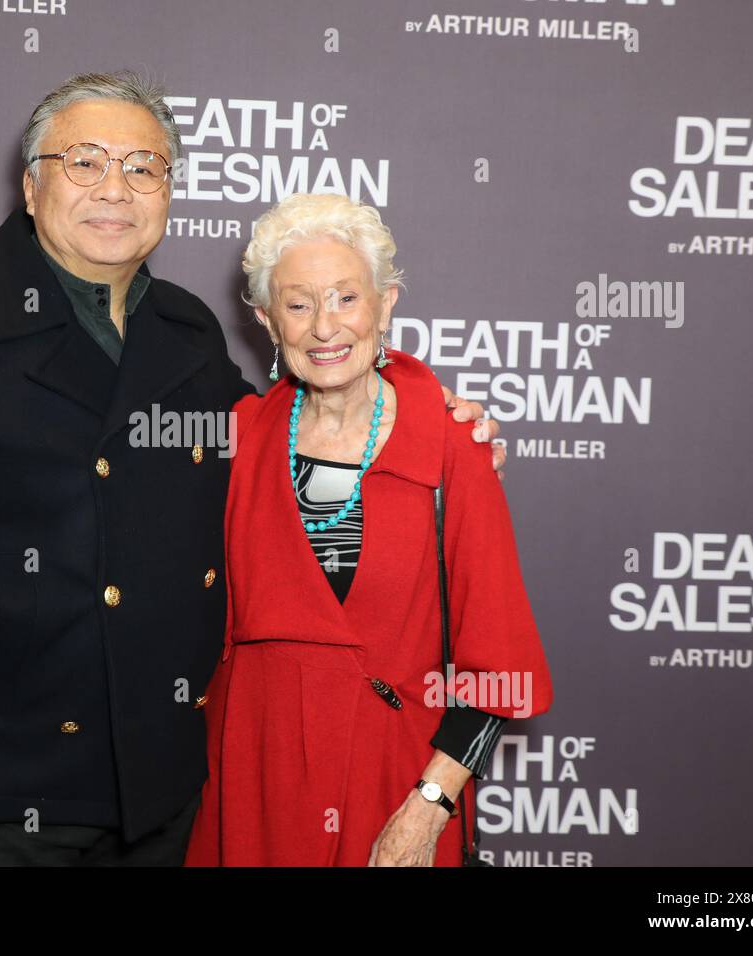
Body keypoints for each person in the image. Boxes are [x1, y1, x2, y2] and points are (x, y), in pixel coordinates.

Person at [0, 72, 502, 867]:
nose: (116, 188)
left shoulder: (185, 334)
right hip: (0, 808)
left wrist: (425, 417)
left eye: (144, 167)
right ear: (31, 184)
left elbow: (294, 433)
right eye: (85, 162)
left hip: (167, 806)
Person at [184, 192, 552, 867]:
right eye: (298, 305)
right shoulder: (236, 439)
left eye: (346, 298)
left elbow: (496, 667)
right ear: (266, 320)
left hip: (396, 783)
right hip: (253, 784)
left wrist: (430, 807)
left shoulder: (452, 445)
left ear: (386, 304)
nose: (325, 327)